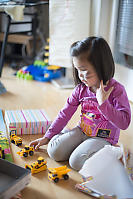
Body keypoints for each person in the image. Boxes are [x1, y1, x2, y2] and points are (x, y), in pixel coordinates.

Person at [30, 37, 131, 171]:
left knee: (76, 162)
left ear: (101, 66)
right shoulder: (81, 89)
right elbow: (64, 114)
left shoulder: (117, 90)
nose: (81, 76)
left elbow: (124, 123)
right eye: (78, 69)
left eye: (85, 70)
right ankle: (69, 137)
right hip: (82, 130)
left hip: (103, 138)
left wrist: (103, 103)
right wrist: (47, 136)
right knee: (54, 151)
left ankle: (113, 153)